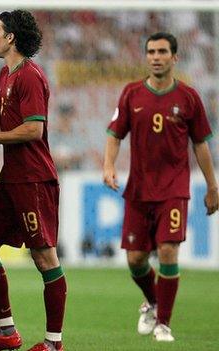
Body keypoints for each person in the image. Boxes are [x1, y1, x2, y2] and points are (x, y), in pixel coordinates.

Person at [103, 32, 218, 342]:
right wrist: (109, 166)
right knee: (136, 259)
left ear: (174, 57)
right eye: (151, 51)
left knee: (168, 250)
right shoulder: (131, 94)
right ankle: (152, 302)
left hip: (174, 189)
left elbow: (201, 145)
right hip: (138, 190)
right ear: (146, 56)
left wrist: (212, 186)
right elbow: (115, 134)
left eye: (162, 51)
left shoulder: (189, 97)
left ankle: (163, 324)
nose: (156, 56)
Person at [0, 10, 66, 351]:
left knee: (44, 258)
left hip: (34, 181)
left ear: (11, 38)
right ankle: (7, 331)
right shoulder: (7, 73)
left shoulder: (30, 76)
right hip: (10, 180)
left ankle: (54, 343)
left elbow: (34, 129)